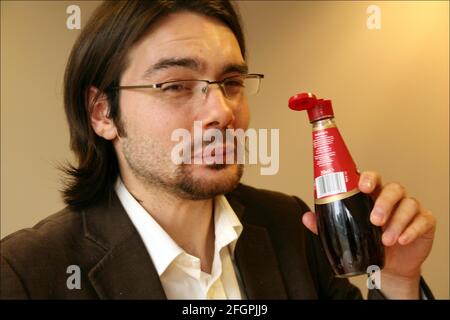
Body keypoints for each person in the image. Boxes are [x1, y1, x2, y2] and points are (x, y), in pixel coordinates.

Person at [0, 0, 436, 299]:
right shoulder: (24, 274)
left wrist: (397, 279)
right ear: (102, 113)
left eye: (231, 84)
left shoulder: (292, 229)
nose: (221, 111)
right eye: (174, 86)